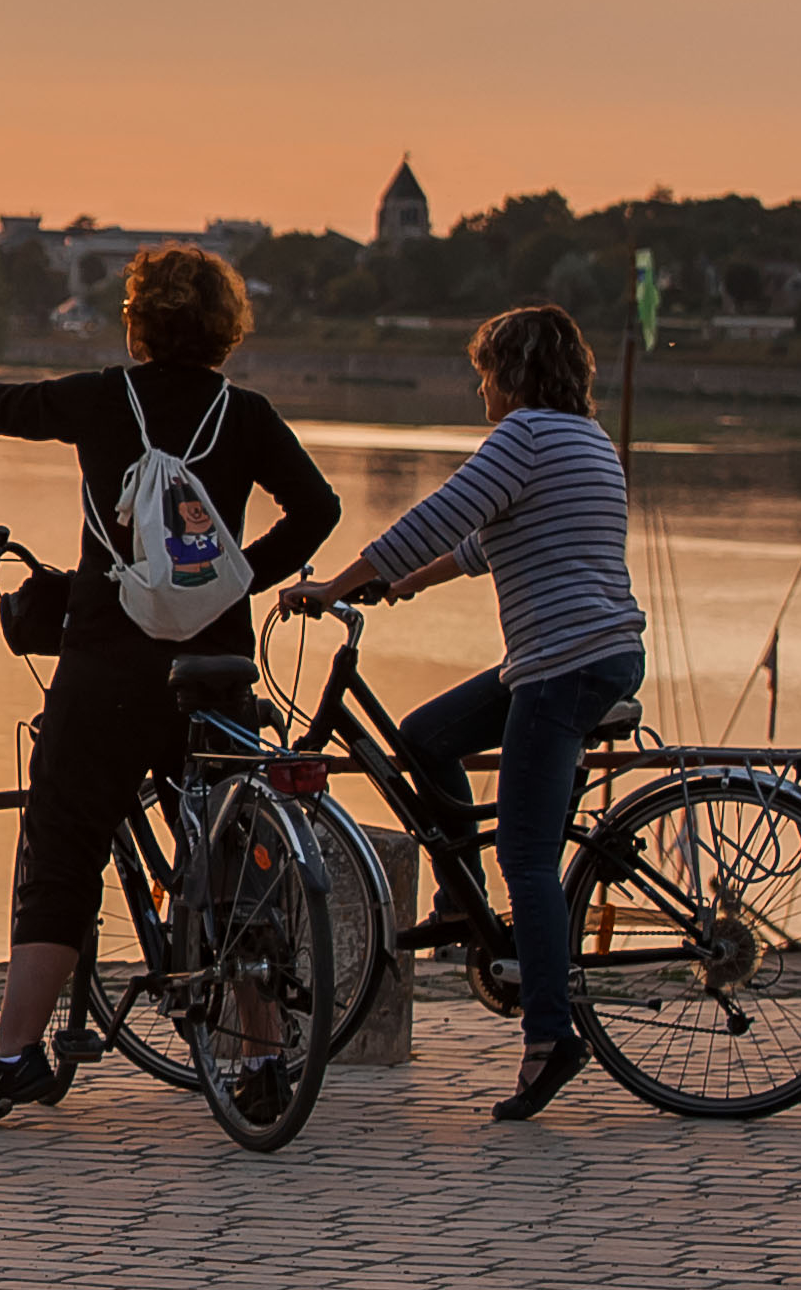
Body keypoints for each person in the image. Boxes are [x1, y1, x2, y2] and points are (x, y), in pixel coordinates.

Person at [0, 243, 340, 1126]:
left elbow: (1, 405)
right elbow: (319, 510)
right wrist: (238, 575)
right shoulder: (247, 415)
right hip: (216, 668)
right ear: (224, 330)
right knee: (238, 856)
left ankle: (13, 1057)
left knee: (64, 850)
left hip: (108, 666)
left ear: (139, 323)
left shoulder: (100, 398)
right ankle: (266, 1059)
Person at [278, 304, 642, 1122]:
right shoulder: (586, 440)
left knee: (529, 855)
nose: (480, 385)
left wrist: (337, 583)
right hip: (586, 654)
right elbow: (480, 543)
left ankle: (552, 1037)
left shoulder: (524, 436)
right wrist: (401, 583)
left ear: (512, 375)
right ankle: (461, 901)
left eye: (485, 370)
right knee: (424, 735)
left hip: (563, 666)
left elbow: (440, 514)